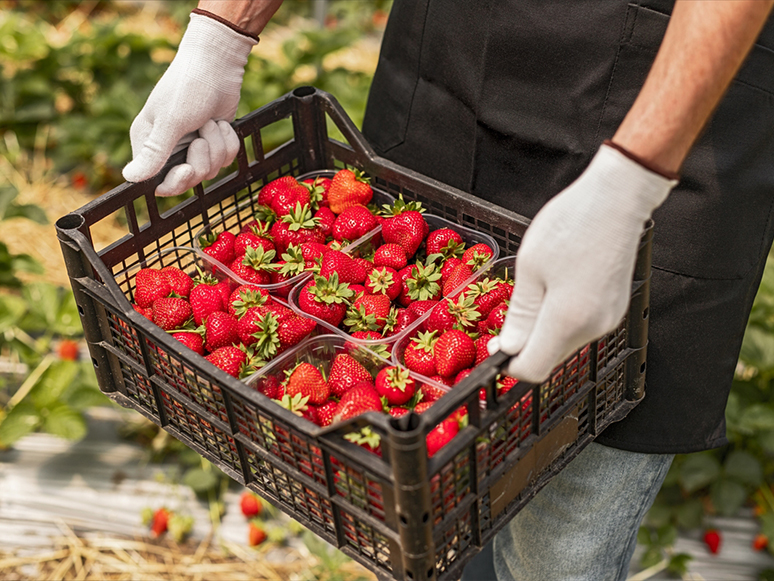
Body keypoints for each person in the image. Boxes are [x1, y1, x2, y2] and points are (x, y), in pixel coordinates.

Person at [122, 1, 774, 579]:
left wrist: (633, 182)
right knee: (404, 516)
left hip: (675, 90)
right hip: (456, 58)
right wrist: (222, 34)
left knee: (564, 546)